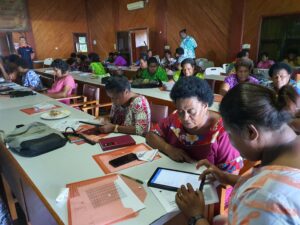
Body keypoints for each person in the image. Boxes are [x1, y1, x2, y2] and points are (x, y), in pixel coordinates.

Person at [176, 83, 300, 225]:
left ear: (251, 132)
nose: (230, 141)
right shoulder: (292, 144)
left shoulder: (265, 200)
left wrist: (196, 216)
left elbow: (265, 196)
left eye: (229, 134)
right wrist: (228, 178)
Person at [146, 77, 242, 171]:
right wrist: (168, 149)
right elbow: (151, 135)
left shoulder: (223, 132)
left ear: (205, 106)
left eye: (191, 112)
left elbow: (232, 177)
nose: (185, 118)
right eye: (180, 111)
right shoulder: (176, 118)